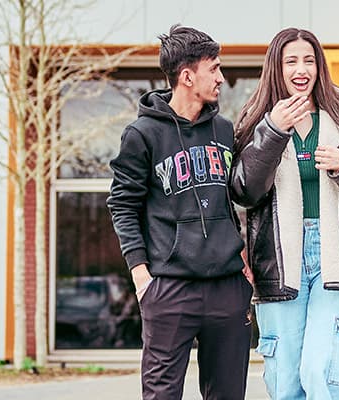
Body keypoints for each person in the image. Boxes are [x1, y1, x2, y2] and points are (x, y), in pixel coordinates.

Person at [228, 27, 339, 400]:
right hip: (279, 261)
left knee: (324, 372)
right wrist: (274, 131)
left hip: (337, 256)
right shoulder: (258, 117)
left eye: (309, 60)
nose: (301, 69)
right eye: (291, 61)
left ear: (320, 66)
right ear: (276, 67)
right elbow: (244, 191)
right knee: (287, 382)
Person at [107, 25, 251, 400]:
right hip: (169, 288)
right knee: (161, 394)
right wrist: (141, 276)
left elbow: (234, 200)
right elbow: (122, 205)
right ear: (187, 76)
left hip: (227, 287)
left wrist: (242, 261)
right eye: (213, 69)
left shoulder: (223, 131)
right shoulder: (142, 134)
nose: (221, 78)